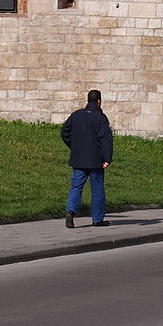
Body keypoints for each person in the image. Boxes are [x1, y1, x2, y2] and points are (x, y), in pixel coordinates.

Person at [61, 89, 113, 227]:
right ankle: (97, 219)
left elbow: (65, 132)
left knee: (76, 187)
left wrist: (74, 146)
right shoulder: (101, 118)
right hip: (96, 160)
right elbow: (106, 139)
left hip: (79, 158)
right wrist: (107, 158)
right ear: (99, 101)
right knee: (97, 190)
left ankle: (70, 212)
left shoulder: (76, 115)